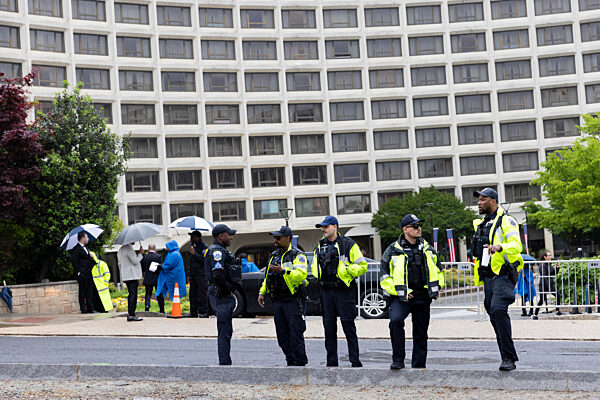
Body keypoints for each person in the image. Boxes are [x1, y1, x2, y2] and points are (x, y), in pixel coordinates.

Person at [380, 214, 445, 370]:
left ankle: (418, 365)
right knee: (395, 321)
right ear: (405, 229)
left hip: (422, 296)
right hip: (401, 297)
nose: (419, 229)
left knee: (421, 332)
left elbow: (439, 270)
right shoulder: (393, 250)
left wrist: (437, 288)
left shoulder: (428, 249)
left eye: (419, 226)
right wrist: (400, 291)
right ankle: (398, 360)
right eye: (415, 226)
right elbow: (384, 276)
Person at [472, 188, 524, 371]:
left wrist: (500, 247)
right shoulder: (482, 223)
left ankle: (509, 358)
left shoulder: (506, 220)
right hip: (488, 276)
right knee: (493, 314)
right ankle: (506, 354)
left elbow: (517, 245)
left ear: (493, 201)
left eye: (483, 199)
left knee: (498, 309)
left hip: (504, 273)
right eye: (478, 200)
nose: (479, 203)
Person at [311, 216, 368, 367]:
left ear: (335, 227)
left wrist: (347, 270)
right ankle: (331, 362)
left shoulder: (347, 244)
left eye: (325, 227)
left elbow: (362, 266)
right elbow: (314, 266)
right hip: (326, 291)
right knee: (329, 328)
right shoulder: (320, 245)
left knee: (348, 326)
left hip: (344, 290)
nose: (323, 230)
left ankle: (355, 361)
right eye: (321, 227)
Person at [257, 226, 308, 366]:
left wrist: (283, 271)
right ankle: (290, 360)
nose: (275, 240)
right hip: (278, 300)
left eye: (278, 238)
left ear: (287, 238)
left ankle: (300, 363)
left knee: (296, 333)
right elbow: (268, 276)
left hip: (294, 299)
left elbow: (301, 274)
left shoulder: (298, 255)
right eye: (275, 238)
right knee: (282, 336)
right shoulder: (274, 255)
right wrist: (262, 292)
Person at [205, 224, 241, 365]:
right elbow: (218, 275)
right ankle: (225, 364)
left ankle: (225, 361)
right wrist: (227, 291)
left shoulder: (221, 250)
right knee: (224, 330)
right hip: (221, 295)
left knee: (226, 329)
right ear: (221, 236)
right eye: (228, 234)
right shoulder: (217, 252)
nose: (231, 237)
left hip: (222, 293)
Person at [117, 242, 144, 322]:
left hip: (126, 275)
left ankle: (131, 314)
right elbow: (135, 261)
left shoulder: (121, 248)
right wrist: (140, 254)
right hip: (132, 275)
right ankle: (131, 314)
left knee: (131, 294)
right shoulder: (129, 248)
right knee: (133, 294)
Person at [156, 240, 187, 307]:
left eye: (168, 247)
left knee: (175, 292)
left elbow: (169, 265)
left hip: (174, 277)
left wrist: (161, 266)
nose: (167, 248)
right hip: (174, 275)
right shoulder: (173, 253)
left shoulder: (174, 254)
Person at [71, 232, 96, 314]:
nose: (88, 239)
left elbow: (87, 260)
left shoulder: (86, 248)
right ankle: (83, 309)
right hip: (82, 273)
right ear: (82, 238)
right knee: (82, 292)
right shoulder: (76, 249)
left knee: (89, 291)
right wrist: (78, 272)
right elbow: (74, 261)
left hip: (89, 273)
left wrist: (91, 256)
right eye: (87, 237)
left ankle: (90, 308)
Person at [533, 251, 562, 319]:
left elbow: (554, 273)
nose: (550, 256)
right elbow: (544, 277)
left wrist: (557, 268)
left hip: (550, 284)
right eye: (549, 255)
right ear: (545, 257)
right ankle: (535, 314)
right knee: (541, 300)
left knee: (558, 295)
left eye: (550, 255)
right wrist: (549, 287)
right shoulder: (542, 266)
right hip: (543, 285)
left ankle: (557, 311)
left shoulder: (549, 264)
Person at [188, 231, 209, 318]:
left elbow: (204, 260)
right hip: (193, 274)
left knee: (202, 294)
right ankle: (193, 311)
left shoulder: (204, 247)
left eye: (192, 237)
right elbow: (191, 262)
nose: (191, 239)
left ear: (197, 237)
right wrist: (189, 273)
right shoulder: (193, 246)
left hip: (201, 274)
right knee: (192, 294)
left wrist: (195, 254)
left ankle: (204, 312)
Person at [141, 244, 164, 314]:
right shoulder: (158, 256)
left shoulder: (145, 257)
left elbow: (142, 267)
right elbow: (160, 267)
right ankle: (161, 309)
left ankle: (147, 306)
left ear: (148, 249)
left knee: (148, 294)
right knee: (159, 293)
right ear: (155, 249)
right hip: (156, 278)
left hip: (147, 277)